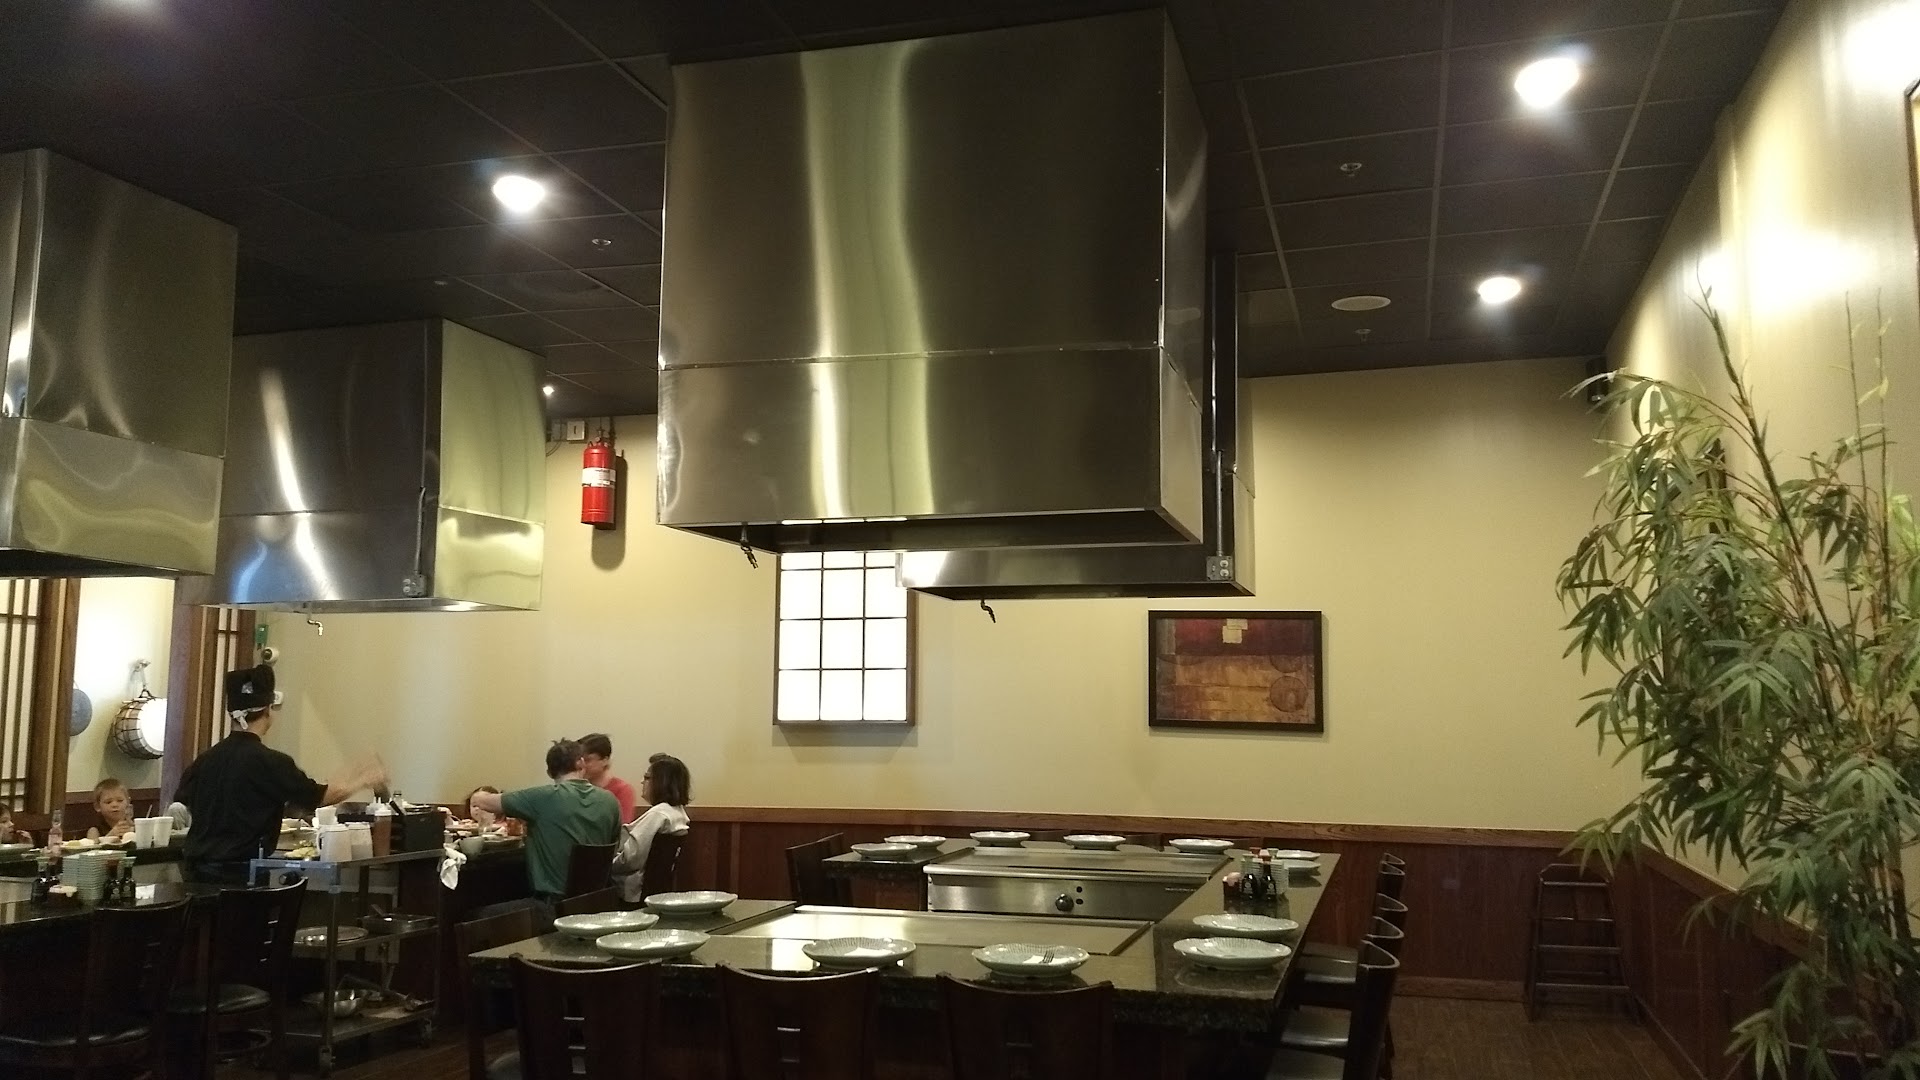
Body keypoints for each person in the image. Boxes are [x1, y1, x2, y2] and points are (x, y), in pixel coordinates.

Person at [176, 663, 387, 886]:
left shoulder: (204, 761)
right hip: (241, 880)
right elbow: (319, 797)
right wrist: (364, 779)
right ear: (268, 711)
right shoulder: (270, 762)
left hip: (194, 878)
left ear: (232, 715)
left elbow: (187, 802)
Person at [471, 740, 619, 905]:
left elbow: (482, 801)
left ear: (549, 772)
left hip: (551, 903)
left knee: (477, 913)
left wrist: (478, 797)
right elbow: (614, 844)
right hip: (598, 901)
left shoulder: (542, 798)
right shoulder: (610, 800)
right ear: (581, 763)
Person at [611, 755, 691, 904]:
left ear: (662, 782)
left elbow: (630, 859)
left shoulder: (658, 815)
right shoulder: (678, 813)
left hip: (633, 893)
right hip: (657, 891)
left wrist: (606, 866)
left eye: (647, 777)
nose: (642, 782)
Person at [577, 733, 637, 823]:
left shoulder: (622, 790)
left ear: (605, 760)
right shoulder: (577, 788)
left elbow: (622, 825)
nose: (582, 765)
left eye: (588, 760)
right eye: (580, 760)